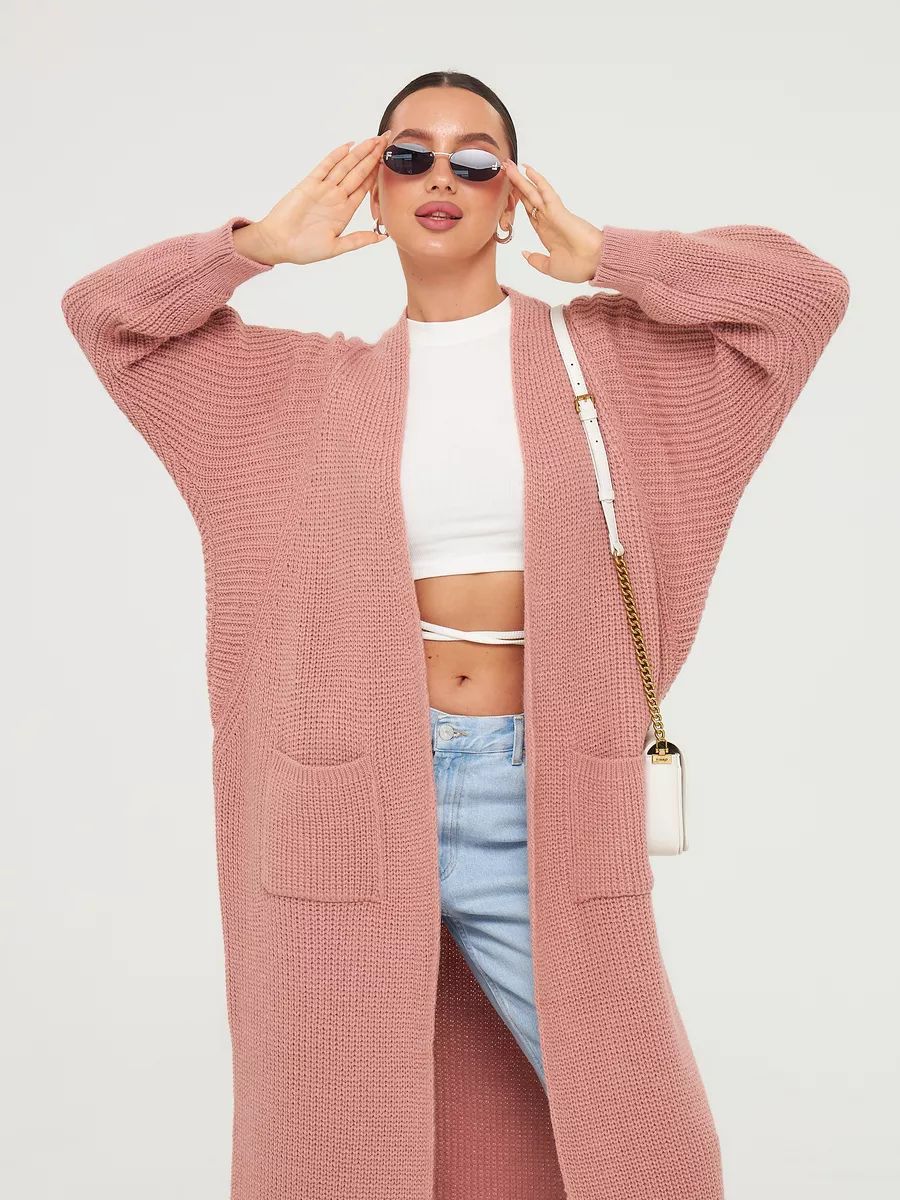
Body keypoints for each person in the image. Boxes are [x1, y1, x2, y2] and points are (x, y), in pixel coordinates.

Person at [60, 70, 849, 1200]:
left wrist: (612, 255)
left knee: (654, 1148)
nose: (442, 177)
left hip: (544, 792)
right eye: (408, 155)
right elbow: (109, 320)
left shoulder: (606, 362)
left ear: (512, 194)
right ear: (372, 191)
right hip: (344, 802)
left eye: (476, 159)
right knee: (336, 1145)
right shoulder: (301, 387)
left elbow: (803, 297)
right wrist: (256, 249)